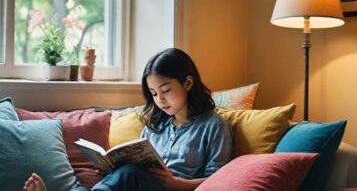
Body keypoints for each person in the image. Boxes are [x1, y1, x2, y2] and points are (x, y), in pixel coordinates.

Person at [23, 48, 233, 191]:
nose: (160, 99)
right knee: (119, 175)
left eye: (166, 90)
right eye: (153, 93)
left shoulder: (214, 126)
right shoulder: (156, 124)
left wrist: (176, 183)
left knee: (129, 173)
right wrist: (109, 166)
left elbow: (219, 181)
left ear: (188, 83)